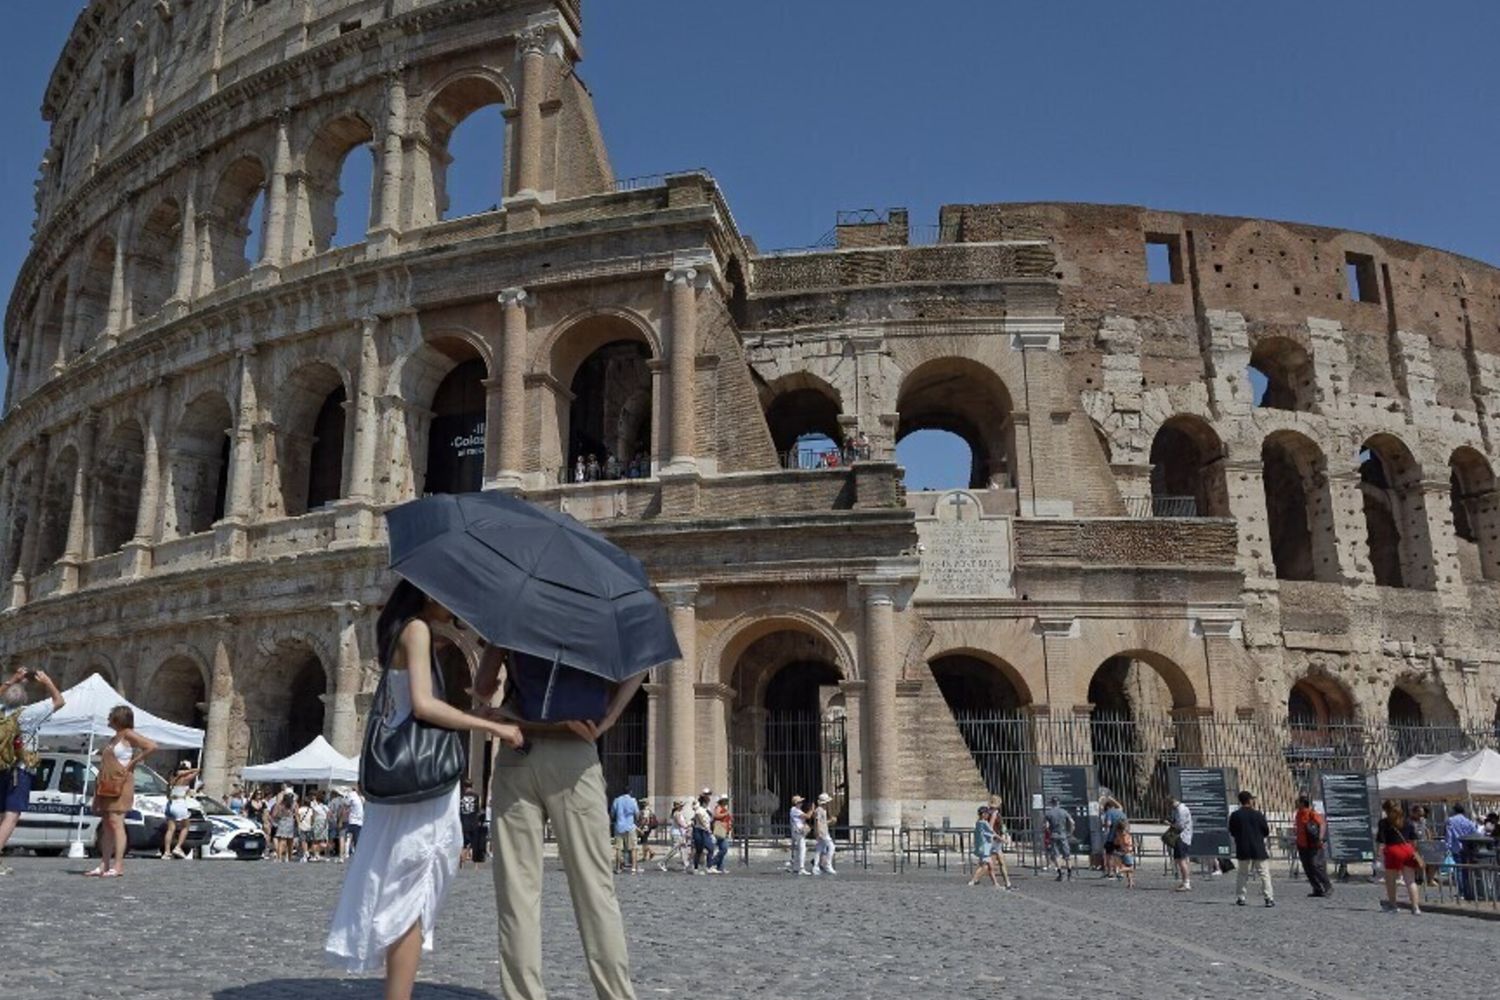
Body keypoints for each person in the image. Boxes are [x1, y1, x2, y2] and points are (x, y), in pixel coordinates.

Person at [325, 580, 524, 1000]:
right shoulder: (417, 630)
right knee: (412, 892)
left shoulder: (403, 629)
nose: (458, 606)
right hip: (422, 786)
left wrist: (475, 711)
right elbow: (424, 706)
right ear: (432, 594)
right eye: (452, 596)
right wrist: (492, 726)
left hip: (408, 777)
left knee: (405, 888)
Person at [472, 638, 645, 1000]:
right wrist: (608, 718)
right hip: (575, 755)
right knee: (595, 890)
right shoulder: (598, 611)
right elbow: (642, 659)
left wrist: (495, 651)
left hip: (518, 750)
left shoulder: (516, 609)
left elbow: (485, 686)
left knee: (517, 892)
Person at [0, 668, 65, 874]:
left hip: (2, 766)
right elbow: (59, 701)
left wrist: (14, 679)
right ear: (24, 700)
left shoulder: (1, 712)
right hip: (20, 768)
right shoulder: (28, 714)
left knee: (2, 814)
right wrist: (47, 681)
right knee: (12, 815)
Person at [88, 705, 158, 878]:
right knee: (106, 824)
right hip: (107, 783)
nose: (108, 718)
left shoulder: (127, 734)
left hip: (121, 784)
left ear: (118, 718)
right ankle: (104, 863)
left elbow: (151, 746)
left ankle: (118, 865)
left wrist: (134, 762)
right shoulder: (114, 737)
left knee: (116, 822)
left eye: (111, 716)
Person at [1228, 789, 1274, 907]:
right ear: (1249, 800)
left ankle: (1241, 897)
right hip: (1257, 847)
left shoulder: (1235, 815)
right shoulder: (1258, 814)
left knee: (1242, 873)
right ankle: (1268, 897)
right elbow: (1266, 831)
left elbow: (1232, 831)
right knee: (1264, 874)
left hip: (1243, 847)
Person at [1375, 800, 1422, 915]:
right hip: (1408, 850)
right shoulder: (1408, 822)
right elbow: (1414, 840)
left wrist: (1378, 854)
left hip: (1393, 850)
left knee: (1391, 880)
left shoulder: (1384, 823)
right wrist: (1414, 852)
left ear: (1385, 810)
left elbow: (1380, 840)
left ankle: (1393, 905)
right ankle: (1415, 907)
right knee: (1410, 881)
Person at [1293, 794, 1332, 898]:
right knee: (1308, 868)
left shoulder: (1311, 813)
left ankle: (1327, 886)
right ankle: (1317, 888)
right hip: (1302, 845)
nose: (1296, 803)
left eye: (1298, 802)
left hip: (1313, 844)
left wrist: (1320, 838)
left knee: (1316, 866)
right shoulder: (1298, 814)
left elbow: (1322, 824)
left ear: (1302, 803)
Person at [159, 761, 201, 860]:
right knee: (186, 826)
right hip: (180, 803)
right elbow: (198, 770)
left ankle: (167, 851)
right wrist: (188, 771)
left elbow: (167, 794)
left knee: (170, 829)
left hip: (170, 804)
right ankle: (178, 847)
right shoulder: (186, 779)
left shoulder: (171, 780)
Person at [1445, 804, 1479, 901]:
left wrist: (1448, 848)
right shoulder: (1469, 821)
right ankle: (1469, 891)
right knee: (1467, 870)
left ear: (1454, 811)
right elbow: (1475, 833)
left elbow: (1449, 836)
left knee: (1459, 870)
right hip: (1468, 848)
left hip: (1457, 848)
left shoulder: (1450, 821)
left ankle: (1462, 892)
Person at [1043, 797, 1074, 882]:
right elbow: (1072, 822)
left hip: (1054, 835)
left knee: (1056, 855)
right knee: (1067, 855)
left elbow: (1046, 826)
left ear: (1052, 803)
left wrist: (1049, 832)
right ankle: (1070, 874)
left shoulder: (1048, 813)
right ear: (1059, 803)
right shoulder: (1064, 812)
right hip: (1063, 834)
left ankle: (1060, 874)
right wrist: (1070, 832)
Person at [986, 799, 1015, 890]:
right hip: (994, 841)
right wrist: (1001, 838)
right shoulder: (993, 813)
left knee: (1000, 862)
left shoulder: (991, 812)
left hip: (996, 840)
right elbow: (990, 828)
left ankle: (1007, 883)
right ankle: (997, 883)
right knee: (993, 863)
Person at [1166, 796, 1194, 891]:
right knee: (1183, 860)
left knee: (1181, 860)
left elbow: (1179, 826)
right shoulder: (1179, 809)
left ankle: (1186, 882)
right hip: (1184, 836)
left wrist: (1169, 824)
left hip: (1181, 837)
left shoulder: (1180, 810)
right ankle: (1185, 881)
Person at [968, 806, 999, 887]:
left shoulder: (978, 823)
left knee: (990, 866)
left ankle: (995, 883)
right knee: (985, 866)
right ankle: (973, 880)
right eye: (987, 814)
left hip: (983, 847)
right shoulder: (984, 823)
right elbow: (992, 832)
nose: (988, 815)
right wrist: (1002, 839)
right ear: (983, 814)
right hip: (985, 848)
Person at [610, 790, 640, 875]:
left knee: (619, 848)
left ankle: (618, 867)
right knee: (633, 848)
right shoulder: (633, 800)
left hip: (619, 827)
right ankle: (633, 868)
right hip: (630, 827)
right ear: (630, 792)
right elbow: (637, 814)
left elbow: (612, 813)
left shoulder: (617, 800)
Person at [658, 801, 690, 872]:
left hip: (680, 833)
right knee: (675, 850)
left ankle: (686, 864)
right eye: (681, 806)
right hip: (676, 833)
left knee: (683, 849)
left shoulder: (679, 813)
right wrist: (688, 825)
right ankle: (662, 862)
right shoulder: (676, 814)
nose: (682, 807)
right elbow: (680, 823)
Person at [1100, 798, 1127, 879]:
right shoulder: (1121, 812)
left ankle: (1110, 872)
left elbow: (1108, 824)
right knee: (1119, 855)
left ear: (1107, 808)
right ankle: (1119, 871)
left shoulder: (1109, 812)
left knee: (1109, 855)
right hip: (1121, 838)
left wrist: (1103, 826)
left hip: (1111, 837)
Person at [812, 792, 836, 875]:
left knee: (819, 849)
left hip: (824, 831)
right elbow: (818, 822)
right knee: (832, 847)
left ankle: (815, 867)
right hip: (823, 832)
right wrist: (818, 832)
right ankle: (827, 864)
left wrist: (830, 821)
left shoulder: (823, 810)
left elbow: (823, 822)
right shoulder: (819, 810)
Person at [459, 781, 482, 868]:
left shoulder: (461, 796)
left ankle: (462, 862)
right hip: (473, 821)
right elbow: (478, 809)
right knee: (475, 843)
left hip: (464, 821)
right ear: (472, 786)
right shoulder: (476, 796)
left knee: (463, 843)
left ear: (464, 786)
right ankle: (476, 865)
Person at [690, 790, 714, 874]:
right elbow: (699, 817)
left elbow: (710, 819)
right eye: (707, 801)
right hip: (699, 830)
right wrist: (706, 827)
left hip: (705, 831)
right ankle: (695, 868)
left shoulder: (707, 810)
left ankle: (709, 866)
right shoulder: (699, 809)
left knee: (710, 848)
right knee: (699, 850)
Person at [708, 795, 733, 874]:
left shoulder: (724, 808)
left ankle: (720, 867)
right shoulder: (719, 807)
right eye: (725, 800)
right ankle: (712, 863)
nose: (726, 802)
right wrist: (726, 814)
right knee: (724, 848)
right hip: (720, 829)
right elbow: (716, 815)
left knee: (723, 848)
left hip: (724, 830)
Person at [788, 795, 811, 875]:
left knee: (798, 849)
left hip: (796, 832)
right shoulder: (795, 810)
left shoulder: (796, 810)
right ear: (797, 803)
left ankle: (795, 866)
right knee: (802, 849)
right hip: (798, 832)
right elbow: (807, 816)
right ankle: (801, 868)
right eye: (800, 802)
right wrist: (812, 809)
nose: (802, 803)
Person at [271, 791, 297, 862]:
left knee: (282, 840)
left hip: (282, 822)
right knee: (290, 841)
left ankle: (279, 858)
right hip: (290, 822)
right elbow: (296, 814)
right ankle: (289, 857)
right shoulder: (294, 804)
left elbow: (275, 815)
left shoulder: (280, 805)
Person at [343, 785, 365, 859]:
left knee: (356, 838)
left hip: (359, 821)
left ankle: (354, 852)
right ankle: (347, 853)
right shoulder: (352, 795)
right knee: (350, 837)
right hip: (353, 820)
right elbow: (346, 805)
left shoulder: (361, 797)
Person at [1115, 819, 1137, 888]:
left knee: (1128, 869)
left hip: (1122, 851)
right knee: (1131, 868)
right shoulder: (1126, 835)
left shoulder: (1118, 835)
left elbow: (1116, 842)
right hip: (1128, 852)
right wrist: (1133, 844)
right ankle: (1120, 869)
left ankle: (1130, 882)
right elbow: (1127, 843)